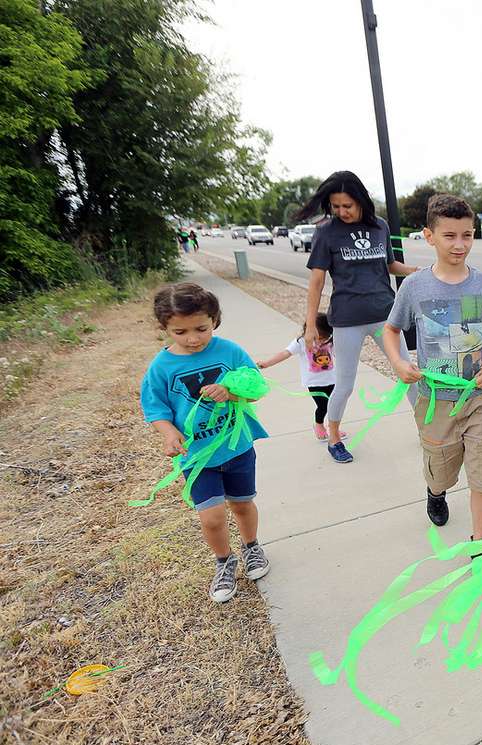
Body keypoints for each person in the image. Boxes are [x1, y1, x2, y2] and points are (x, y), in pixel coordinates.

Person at [382, 194, 482, 540]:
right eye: (450, 235)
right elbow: (391, 330)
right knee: (440, 470)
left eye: (467, 235)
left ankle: (479, 541)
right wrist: (399, 362)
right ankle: (436, 491)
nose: (460, 244)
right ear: (429, 236)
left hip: (478, 397)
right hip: (434, 402)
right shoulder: (414, 286)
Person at [139, 282, 269, 603]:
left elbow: (256, 384)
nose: (193, 338)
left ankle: (252, 546)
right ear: (165, 328)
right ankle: (224, 561)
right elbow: (155, 408)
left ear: (214, 320)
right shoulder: (162, 367)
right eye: (180, 332)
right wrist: (169, 433)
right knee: (211, 517)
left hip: (236, 447)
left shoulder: (230, 351)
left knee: (241, 504)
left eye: (201, 328)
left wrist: (232, 391)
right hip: (196, 457)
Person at [295, 171, 420, 463]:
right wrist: (311, 324)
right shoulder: (326, 232)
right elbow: (316, 281)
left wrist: (415, 271)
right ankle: (334, 436)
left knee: (408, 374)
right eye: (336, 207)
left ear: (361, 201)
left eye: (347, 206)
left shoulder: (380, 227)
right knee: (345, 383)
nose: (342, 212)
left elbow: (389, 265)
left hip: (384, 317)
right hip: (347, 319)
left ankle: (426, 429)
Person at [256, 312, 345, 442]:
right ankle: (319, 425)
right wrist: (267, 363)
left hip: (331, 379)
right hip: (314, 383)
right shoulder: (301, 342)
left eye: (323, 337)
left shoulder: (330, 340)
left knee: (335, 405)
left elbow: (340, 355)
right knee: (323, 406)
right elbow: (285, 353)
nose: (319, 340)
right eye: (317, 337)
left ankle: (334, 429)